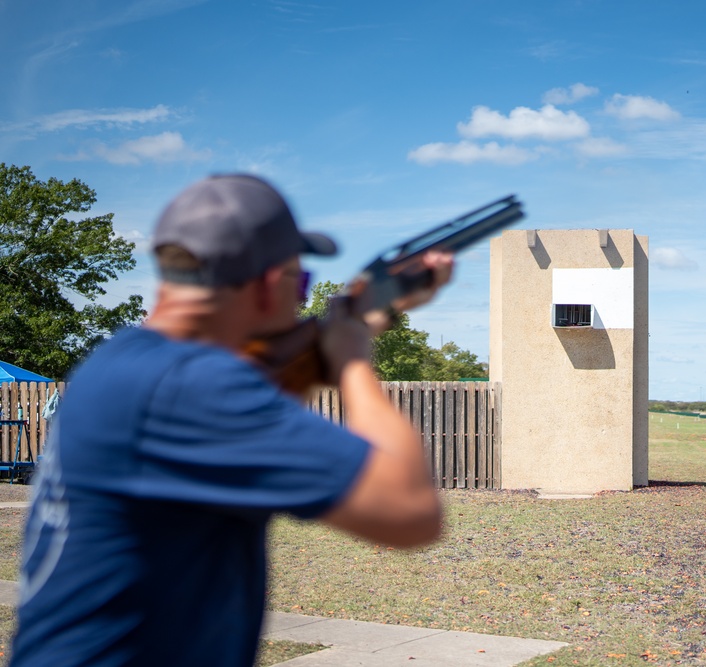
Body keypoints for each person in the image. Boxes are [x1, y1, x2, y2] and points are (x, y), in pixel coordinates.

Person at [11, 174, 452, 667]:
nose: (302, 303)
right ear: (268, 285)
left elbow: (266, 389)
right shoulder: (188, 389)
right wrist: (352, 359)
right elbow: (409, 512)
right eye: (300, 282)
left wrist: (372, 310)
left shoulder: (124, 362)